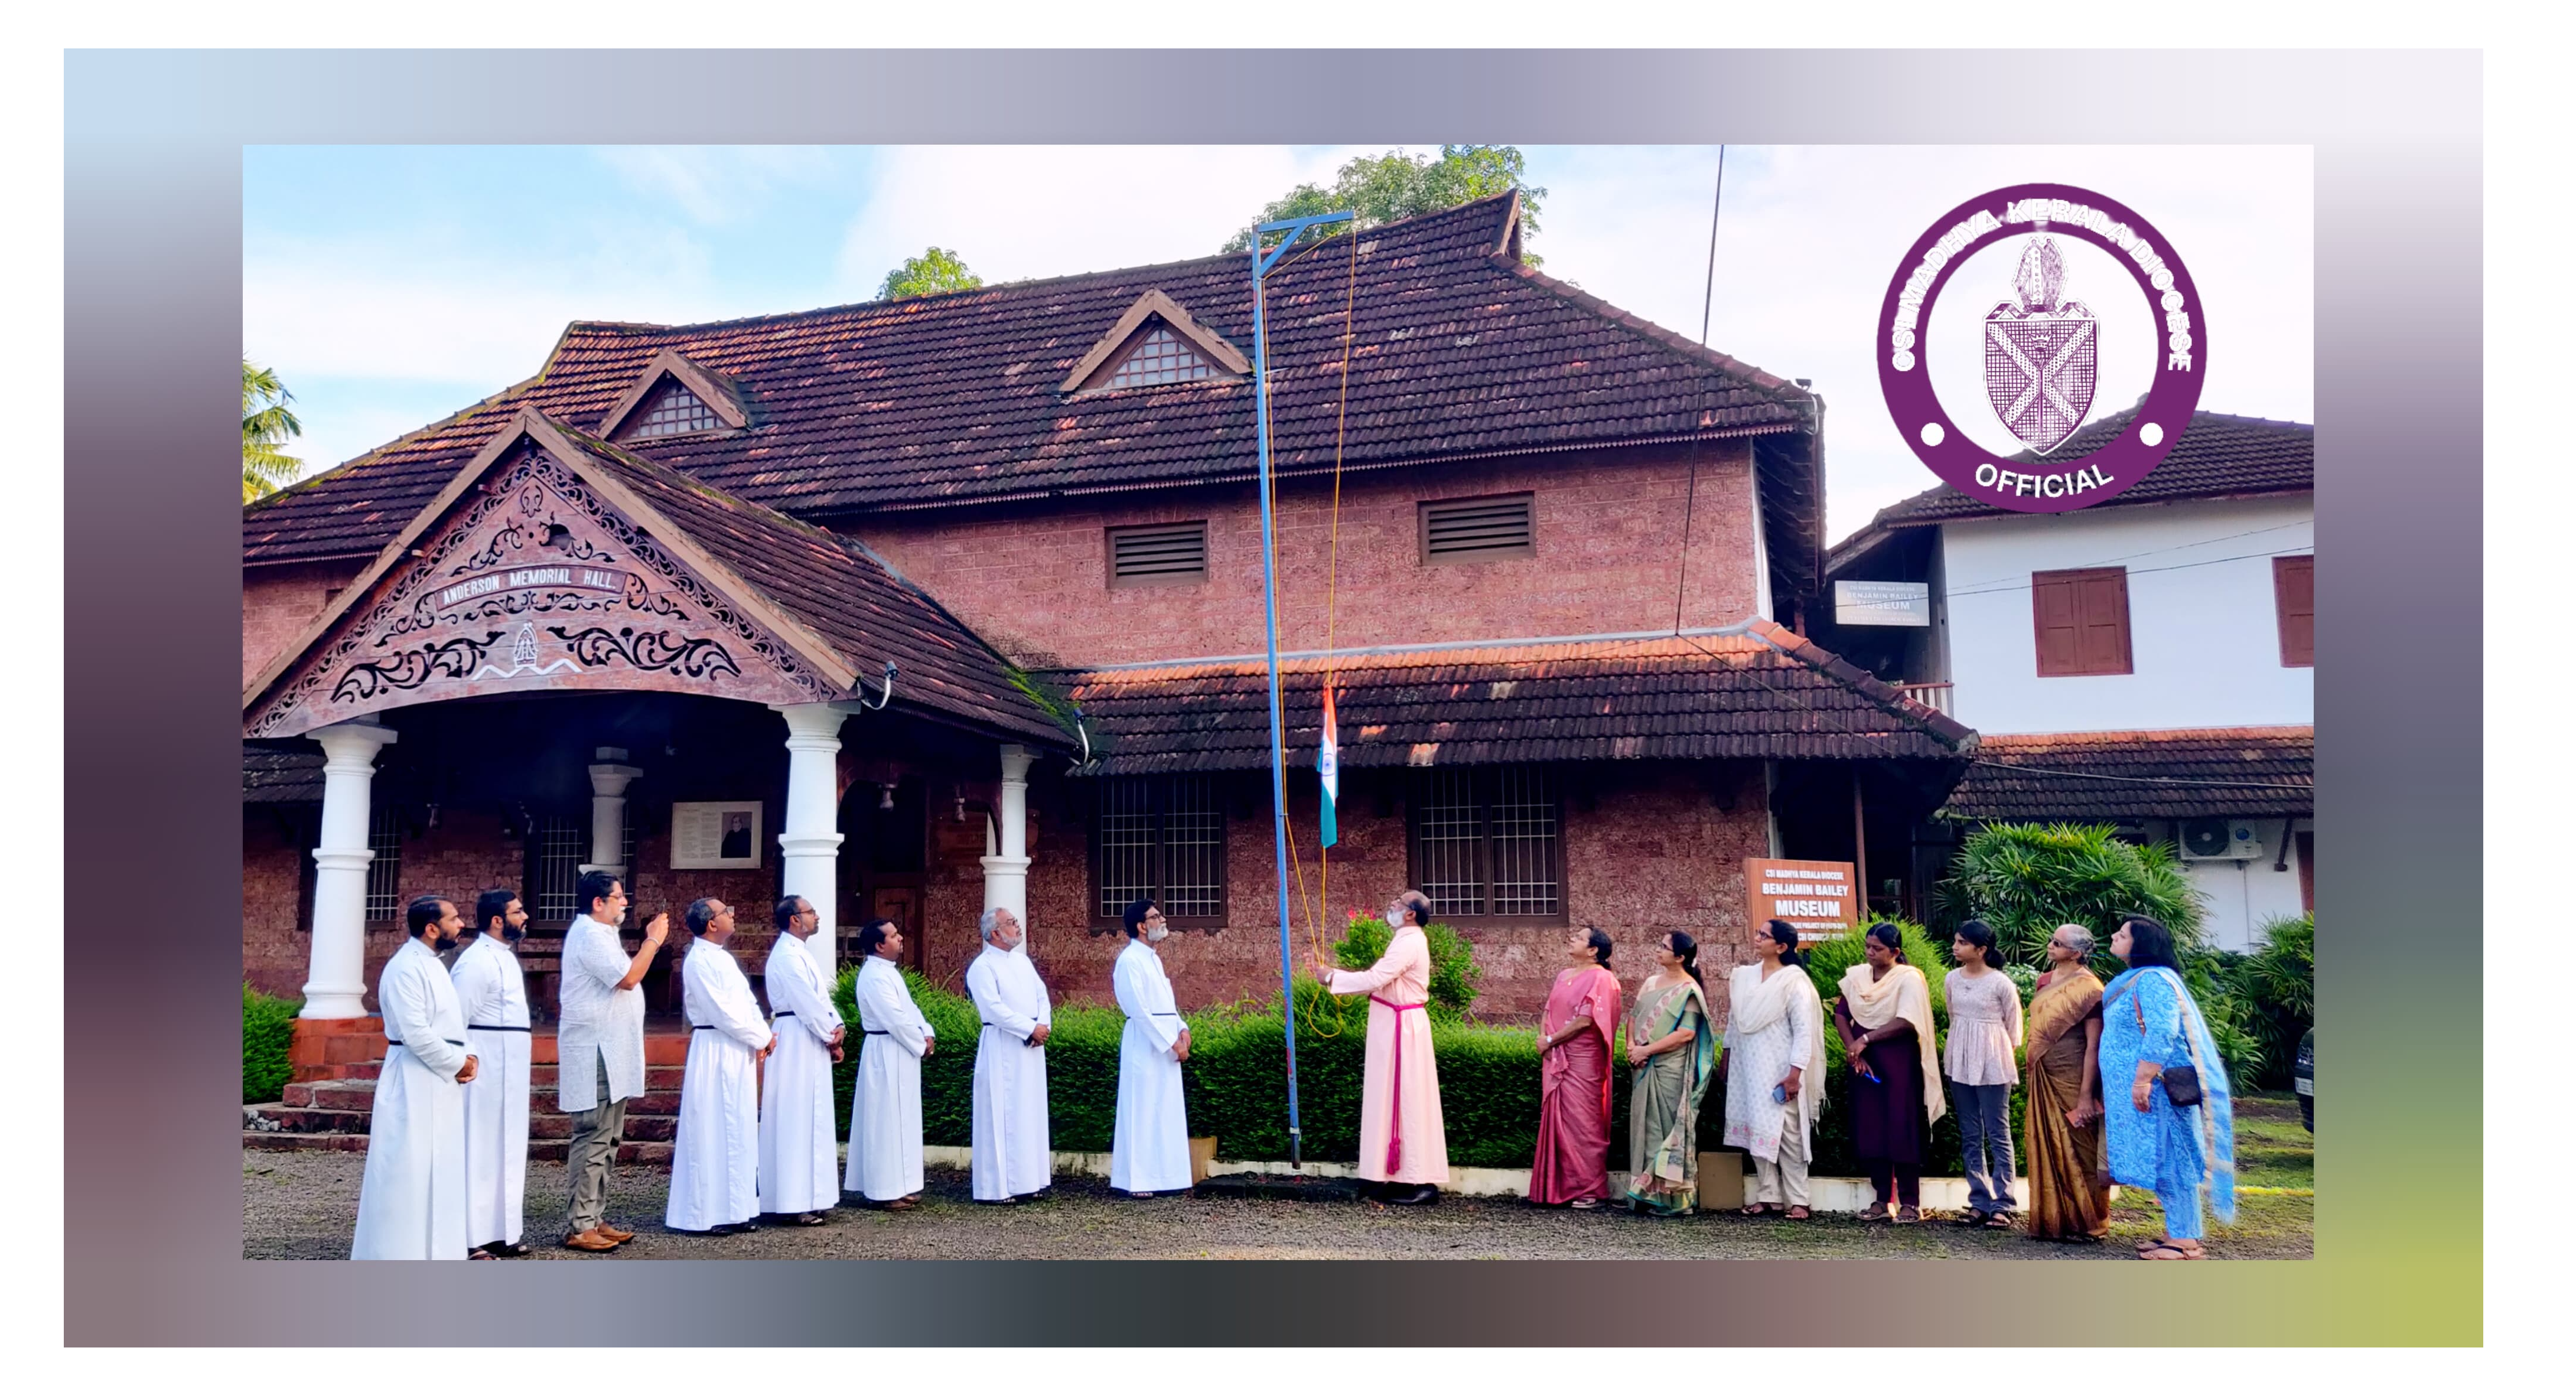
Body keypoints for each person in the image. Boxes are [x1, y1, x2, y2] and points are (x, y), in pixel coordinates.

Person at [2102, 916, 2237, 1261]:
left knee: (2172, 1159)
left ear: (2142, 945)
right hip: (2144, 1090)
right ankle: (2175, 1231)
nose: (2114, 938)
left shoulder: (2153, 981)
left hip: (2157, 1090)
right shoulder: (2135, 980)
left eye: (2122, 935)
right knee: (2160, 1159)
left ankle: (2187, 1241)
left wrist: (2142, 1080)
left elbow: (2162, 1032)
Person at [351, 895, 477, 1259]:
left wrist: (469, 1055)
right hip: (412, 1078)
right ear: (432, 928)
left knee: (442, 1169)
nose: (462, 924)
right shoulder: (404, 968)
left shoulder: (436, 964)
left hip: (440, 1078)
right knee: (407, 1172)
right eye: (454, 919)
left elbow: (451, 1022)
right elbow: (415, 1032)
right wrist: (458, 1062)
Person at [1312, 890, 1451, 1206]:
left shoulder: (1410, 941)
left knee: (1408, 1101)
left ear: (1411, 914)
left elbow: (1378, 977)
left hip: (1402, 1028)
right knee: (1387, 1100)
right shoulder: (1405, 939)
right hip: (1391, 1025)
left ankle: (1419, 1180)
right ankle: (1391, 1175)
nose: (1392, 905)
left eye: (1399, 903)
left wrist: (1333, 976)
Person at [555, 870, 667, 1252]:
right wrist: (653, 940)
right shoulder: (588, 934)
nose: (625, 902)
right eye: (618, 897)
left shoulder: (602, 934)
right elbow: (629, 978)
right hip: (594, 1050)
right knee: (593, 1137)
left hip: (611, 1048)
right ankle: (580, 1224)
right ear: (597, 902)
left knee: (609, 1137)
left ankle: (593, 1215)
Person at [666, 898, 774, 1235]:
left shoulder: (723, 959)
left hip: (736, 1049)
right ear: (711, 923)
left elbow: (747, 1002)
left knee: (739, 1129)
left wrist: (763, 1032)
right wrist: (761, 1037)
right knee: (710, 1129)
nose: (733, 914)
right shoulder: (698, 961)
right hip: (714, 1048)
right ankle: (705, 1214)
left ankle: (737, 1209)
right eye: (727, 911)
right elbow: (721, 1012)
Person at [1834, 921, 1946, 1223]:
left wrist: (1866, 1039)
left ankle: (1910, 1202)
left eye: (1877, 948)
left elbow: (1907, 1021)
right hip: (1864, 1061)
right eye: (1868, 947)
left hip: (1899, 1059)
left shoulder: (1908, 978)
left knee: (1902, 1126)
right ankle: (1882, 1200)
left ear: (1895, 951)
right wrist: (1853, 1050)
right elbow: (1842, 1014)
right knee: (1872, 1128)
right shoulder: (1858, 977)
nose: (1870, 953)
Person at [1723, 918, 1826, 1220]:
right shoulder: (1744, 977)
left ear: (1781, 947)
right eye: (1758, 933)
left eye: (1764, 935)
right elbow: (1734, 1021)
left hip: (1781, 1066)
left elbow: (1803, 1030)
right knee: (1757, 1129)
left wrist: (1796, 1073)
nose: (1757, 938)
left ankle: (1799, 1200)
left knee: (1790, 1134)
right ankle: (1769, 1196)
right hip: (1747, 1065)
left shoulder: (1794, 981)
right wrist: (1727, 1058)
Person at [450, 889, 532, 1259]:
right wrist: (464, 1061)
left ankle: (502, 1231)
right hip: (484, 1066)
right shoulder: (476, 962)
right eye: (518, 912)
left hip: (511, 1066)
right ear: (497, 920)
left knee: (509, 1146)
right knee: (480, 1149)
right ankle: (471, 1237)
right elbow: (457, 1018)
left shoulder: (506, 957)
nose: (525, 915)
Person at [760, 894, 845, 1226]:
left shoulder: (802, 954)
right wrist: (828, 1031)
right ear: (795, 919)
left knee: (815, 1114)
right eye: (811, 912)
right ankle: (792, 1199)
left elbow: (821, 996)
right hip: (795, 1034)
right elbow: (804, 1001)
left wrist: (836, 1026)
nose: (817, 916)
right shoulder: (786, 957)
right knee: (795, 1116)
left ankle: (814, 1195)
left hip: (808, 1033)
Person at [2024, 923, 2111, 1241]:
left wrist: (2087, 1095)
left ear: (2075, 953)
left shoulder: (2091, 989)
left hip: (2074, 1077)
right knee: (2045, 1141)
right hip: (2042, 1073)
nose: (2049, 945)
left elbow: (2094, 1044)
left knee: (2079, 1148)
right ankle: (2052, 1220)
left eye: (2057, 942)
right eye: (2051, 939)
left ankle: (2089, 1223)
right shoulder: (2044, 981)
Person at [1623, 930, 1717, 1216]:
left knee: (1666, 1129)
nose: (1658, 951)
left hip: (1669, 1068)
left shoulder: (1690, 990)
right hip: (1642, 1066)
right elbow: (1634, 1017)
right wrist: (1631, 1047)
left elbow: (1686, 1034)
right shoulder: (1652, 983)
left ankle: (1671, 1200)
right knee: (1644, 1127)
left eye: (1664, 948)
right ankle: (1642, 1194)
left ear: (1680, 957)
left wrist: (1646, 1051)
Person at [844, 918, 935, 1209]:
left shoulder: (890, 973)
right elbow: (893, 1018)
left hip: (901, 1049)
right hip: (884, 1049)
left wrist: (927, 1031)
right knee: (884, 1120)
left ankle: (903, 1184)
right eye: (894, 936)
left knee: (903, 1119)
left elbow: (910, 1009)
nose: (901, 939)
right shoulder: (873, 976)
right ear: (880, 945)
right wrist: (919, 1043)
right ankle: (882, 1189)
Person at [966, 905, 1054, 1205]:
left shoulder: (1023, 962)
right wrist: (1029, 1028)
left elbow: (1042, 996)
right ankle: (997, 1188)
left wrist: (1042, 1025)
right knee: (1002, 1114)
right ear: (995, 932)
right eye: (1011, 923)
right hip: (1003, 1044)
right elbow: (993, 1010)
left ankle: (1030, 1181)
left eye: (1016, 922)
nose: (1018, 927)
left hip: (1031, 1047)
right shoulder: (982, 967)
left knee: (1029, 1113)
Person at [1529, 926, 1620, 1209]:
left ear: (1594, 951)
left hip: (1583, 1060)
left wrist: (1551, 1040)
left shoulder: (1603, 979)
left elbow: (1586, 1021)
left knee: (1584, 1124)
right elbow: (1548, 1010)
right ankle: (1554, 1188)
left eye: (1580, 938)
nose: (1572, 939)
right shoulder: (1563, 975)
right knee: (1558, 1121)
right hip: (1557, 1055)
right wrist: (1547, 1039)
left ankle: (1590, 1189)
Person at [1945, 918, 2026, 1228]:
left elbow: (2013, 1029)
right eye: (1956, 941)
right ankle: (1978, 1200)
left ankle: (2004, 1202)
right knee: (1970, 1131)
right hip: (1961, 1058)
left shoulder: (2001, 983)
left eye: (1963, 943)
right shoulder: (1952, 978)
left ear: (1981, 949)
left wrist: (1994, 1054)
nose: (1956, 947)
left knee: (1998, 1130)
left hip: (1993, 1059)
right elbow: (1955, 1015)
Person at [1110, 899, 1193, 1198]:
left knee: (1165, 1110)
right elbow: (1140, 1009)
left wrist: (1182, 1027)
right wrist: (1169, 1042)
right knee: (1142, 1109)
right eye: (1156, 917)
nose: (1163, 920)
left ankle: (1167, 1176)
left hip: (1167, 1040)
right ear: (1141, 926)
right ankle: (1138, 1181)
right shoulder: (1130, 960)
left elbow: (1165, 1004)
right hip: (1145, 1043)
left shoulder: (1154, 959)